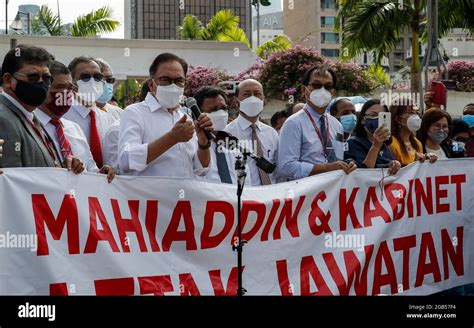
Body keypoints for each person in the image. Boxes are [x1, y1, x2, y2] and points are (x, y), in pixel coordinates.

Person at [118, 52, 213, 177]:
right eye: (165, 80)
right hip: (151, 196)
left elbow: (200, 170)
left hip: (185, 195)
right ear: (152, 85)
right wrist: (172, 138)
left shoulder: (185, 116)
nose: (172, 85)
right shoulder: (135, 113)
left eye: (179, 80)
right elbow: (126, 162)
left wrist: (203, 144)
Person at [0, 44, 82, 172]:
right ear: (8, 80)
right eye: (33, 77)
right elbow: (11, 182)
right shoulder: (3, 118)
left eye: (46, 78)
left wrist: (62, 167)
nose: (41, 83)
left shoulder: (31, 117)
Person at [35, 60, 114, 181]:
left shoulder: (74, 129)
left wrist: (101, 173)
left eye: (70, 88)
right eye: (60, 87)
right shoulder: (29, 125)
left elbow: (90, 169)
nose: (66, 93)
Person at [278, 64, 357, 181]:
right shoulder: (294, 123)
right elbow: (286, 167)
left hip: (334, 190)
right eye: (316, 85)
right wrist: (326, 168)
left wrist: (348, 163)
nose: (322, 90)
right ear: (304, 90)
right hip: (307, 193)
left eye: (328, 86)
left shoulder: (337, 125)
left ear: (333, 92)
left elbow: (339, 157)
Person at [63, 56, 117, 169]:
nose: (93, 81)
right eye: (85, 77)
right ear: (72, 82)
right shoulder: (63, 116)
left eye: (97, 77)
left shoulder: (109, 117)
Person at [225, 78, 279, 185]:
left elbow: (278, 168)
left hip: (273, 195)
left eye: (257, 94)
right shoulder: (228, 134)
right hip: (245, 197)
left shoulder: (271, 133)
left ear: (263, 99)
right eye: (247, 94)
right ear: (236, 100)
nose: (253, 98)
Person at [344, 99, 401, 175]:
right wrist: (375, 146)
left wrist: (395, 164)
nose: (377, 119)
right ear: (362, 119)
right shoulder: (353, 142)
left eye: (382, 116)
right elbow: (363, 172)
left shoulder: (385, 145)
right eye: (373, 115)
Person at [194, 86, 235, 183]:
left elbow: (245, 180)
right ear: (198, 114)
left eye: (224, 108)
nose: (221, 113)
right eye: (213, 110)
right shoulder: (191, 143)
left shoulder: (233, 142)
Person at [388, 102, 437, 166]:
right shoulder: (391, 142)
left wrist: (427, 158)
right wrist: (414, 163)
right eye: (411, 113)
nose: (416, 116)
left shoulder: (417, 143)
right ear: (398, 119)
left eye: (416, 113)